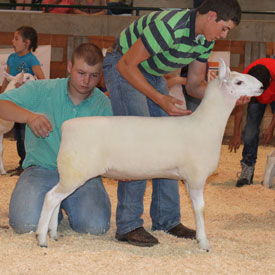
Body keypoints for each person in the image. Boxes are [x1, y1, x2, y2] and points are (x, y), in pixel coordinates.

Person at [103, 0, 244, 247]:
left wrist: (228, 95)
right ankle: (128, 225)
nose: (223, 35)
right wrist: (160, 98)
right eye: (224, 28)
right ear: (211, 16)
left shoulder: (205, 40)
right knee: (140, 142)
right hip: (123, 64)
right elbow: (126, 65)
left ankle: (167, 219)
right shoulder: (169, 27)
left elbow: (194, 85)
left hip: (151, 71)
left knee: (170, 147)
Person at [0, 43, 112, 235]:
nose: (86, 81)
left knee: (95, 227)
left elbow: (110, 145)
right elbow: (2, 104)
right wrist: (28, 116)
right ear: (69, 67)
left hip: (83, 175)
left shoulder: (103, 104)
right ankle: (54, 208)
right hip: (41, 169)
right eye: (81, 72)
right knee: (25, 225)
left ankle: (57, 206)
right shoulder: (42, 89)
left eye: (94, 75)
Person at [0, 26, 46, 175]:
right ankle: (22, 164)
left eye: (16, 39)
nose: (12, 41)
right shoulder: (12, 58)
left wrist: (28, 85)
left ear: (26, 43)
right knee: (18, 135)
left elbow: (42, 79)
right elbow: (7, 80)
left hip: (27, 104)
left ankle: (29, 165)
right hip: (14, 103)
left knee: (27, 135)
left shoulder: (32, 59)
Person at [228, 58, 275, 187]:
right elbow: (240, 106)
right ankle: (247, 169)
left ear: (270, 81)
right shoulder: (246, 77)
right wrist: (236, 133)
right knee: (250, 131)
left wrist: (271, 128)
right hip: (256, 99)